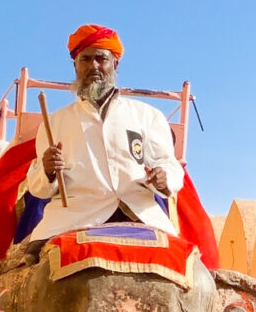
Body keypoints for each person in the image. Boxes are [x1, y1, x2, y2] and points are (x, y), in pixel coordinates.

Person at [26, 24, 184, 241]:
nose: (94, 66)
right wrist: (48, 171)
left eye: (101, 59)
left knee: (188, 270)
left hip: (141, 215)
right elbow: (38, 189)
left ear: (115, 64)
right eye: (86, 59)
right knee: (29, 268)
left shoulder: (148, 116)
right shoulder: (53, 122)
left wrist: (163, 177)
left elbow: (169, 165)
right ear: (75, 66)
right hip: (73, 219)